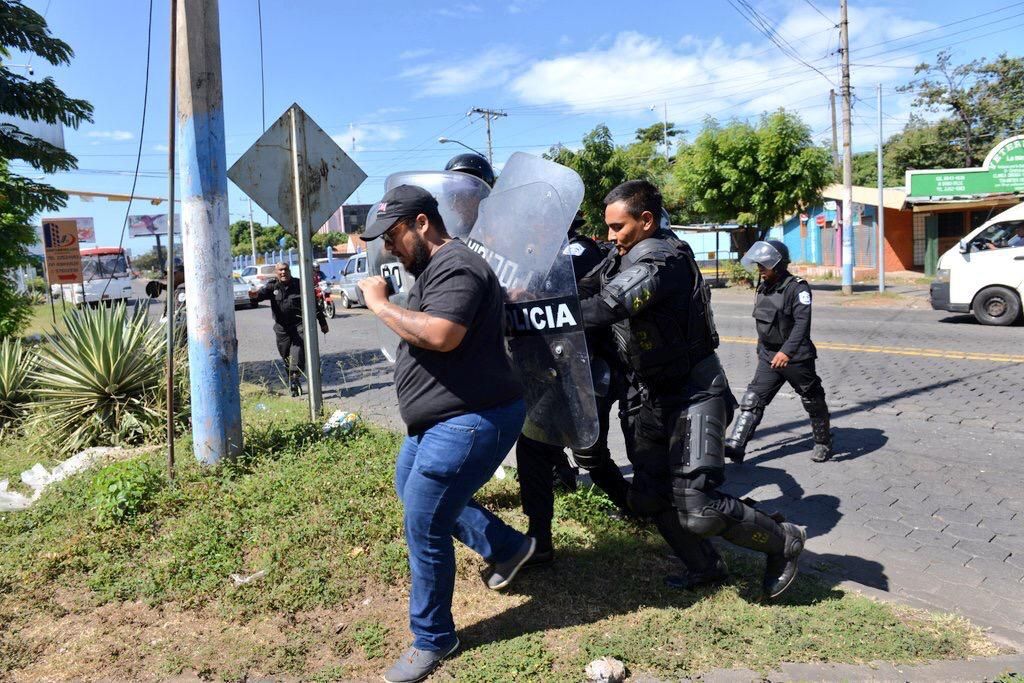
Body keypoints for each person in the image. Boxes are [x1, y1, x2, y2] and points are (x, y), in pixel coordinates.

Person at [578, 180, 806, 598]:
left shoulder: (664, 259)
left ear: (645, 221)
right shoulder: (620, 255)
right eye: (608, 228)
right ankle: (705, 566)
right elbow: (583, 291)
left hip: (694, 393)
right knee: (649, 496)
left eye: (617, 227)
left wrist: (529, 317)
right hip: (649, 395)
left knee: (697, 509)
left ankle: (783, 539)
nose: (610, 237)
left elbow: (605, 307)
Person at [357, 184, 535, 683]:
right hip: (440, 420)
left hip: (471, 418)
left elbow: (441, 334)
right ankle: (506, 546)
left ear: (420, 223)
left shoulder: (457, 264)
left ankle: (433, 637)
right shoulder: (437, 268)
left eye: (391, 236)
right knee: (412, 494)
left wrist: (378, 304)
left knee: (424, 521)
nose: (388, 248)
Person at [515, 212, 634, 566]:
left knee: (582, 452)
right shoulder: (542, 252)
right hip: (557, 368)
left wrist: (529, 294)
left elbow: (571, 299)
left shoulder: (578, 251)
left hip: (587, 367)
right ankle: (544, 530)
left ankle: (637, 509)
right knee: (544, 443)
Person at [724, 241, 833, 464]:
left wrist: (786, 352)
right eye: (758, 264)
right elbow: (764, 324)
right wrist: (761, 349)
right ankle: (736, 444)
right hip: (768, 355)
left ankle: (822, 442)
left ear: (779, 264)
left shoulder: (797, 288)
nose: (760, 269)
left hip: (795, 357)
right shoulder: (764, 286)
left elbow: (802, 325)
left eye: (764, 264)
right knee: (753, 399)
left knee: (812, 399)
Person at [249, 263, 328, 397]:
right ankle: (293, 379)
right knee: (285, 355)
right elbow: (258, 296)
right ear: (276, 272)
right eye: (280, 270)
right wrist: (253, 296)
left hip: (299, 324)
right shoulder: (272, 286)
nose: (283, 272)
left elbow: (313, 304)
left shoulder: (299, 284)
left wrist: (322, 322)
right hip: (281, 328)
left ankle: (295, 375)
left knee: (297, 351)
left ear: (290, 271)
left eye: (285, 269)